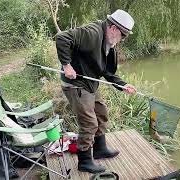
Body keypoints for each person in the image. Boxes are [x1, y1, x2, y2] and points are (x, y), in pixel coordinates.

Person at [55, 9, 137, 173]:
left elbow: (107, 73)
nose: (122, 39)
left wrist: (123, 85)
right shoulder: (92, 33)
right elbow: (62, 38)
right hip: (76, 83)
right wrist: (66, 65)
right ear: (113, 28)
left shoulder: (109, 44)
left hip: (89, 82)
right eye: (123, 35)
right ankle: (84, 161)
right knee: (89, 122)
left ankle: (100, 149)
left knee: (101, 112)